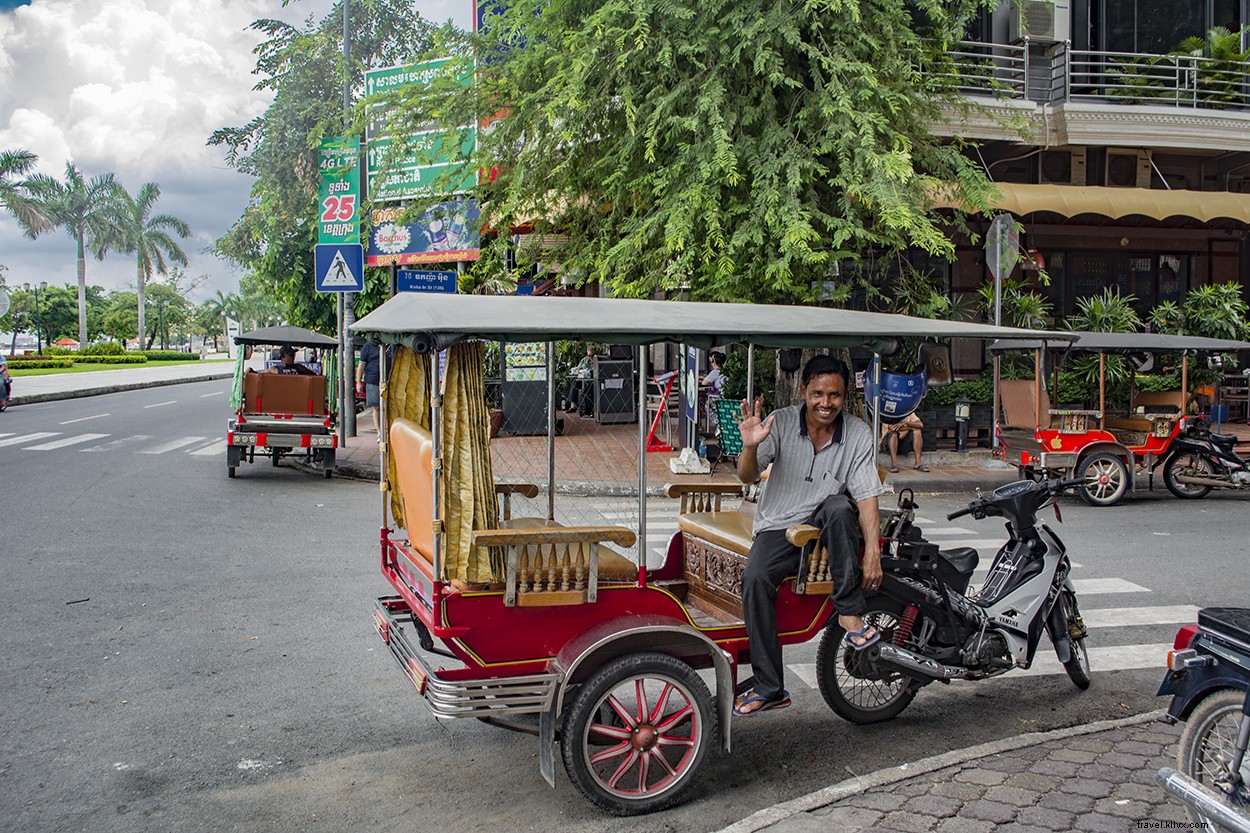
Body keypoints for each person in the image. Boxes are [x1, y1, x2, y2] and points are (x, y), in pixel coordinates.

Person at [733, 355, 885, 716]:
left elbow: (866, 497)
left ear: (844, 396)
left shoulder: (858, 434)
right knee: (754, 578)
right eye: (817, 393)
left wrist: (874, 554)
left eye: (834, 395)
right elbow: (746, 477)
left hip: (826, 524)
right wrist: (750, 446)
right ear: (804, 391)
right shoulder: (781, 422)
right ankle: (770, 686)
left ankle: (849, 612)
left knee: (837, 505)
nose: (825, 403)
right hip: (779, 526)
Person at [563, 346, 596, 416]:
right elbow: (577, 369)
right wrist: (580, 371)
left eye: (592, 355)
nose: (590, 357)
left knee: (591, 389)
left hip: (593, 381)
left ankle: (591, 409)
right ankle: (573, 406)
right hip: (584, 379)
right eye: (589, 355)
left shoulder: (597, 360)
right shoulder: (584, 360)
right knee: (575, 382)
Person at [358, 341, 383, 433]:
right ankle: (379, 431)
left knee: (389, 407)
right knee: (376, 407)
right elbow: (361, 365)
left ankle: (388, 430)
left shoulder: (390, 345)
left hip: (389, 380)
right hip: (372, 380)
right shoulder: (368, 346)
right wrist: (358, 382)